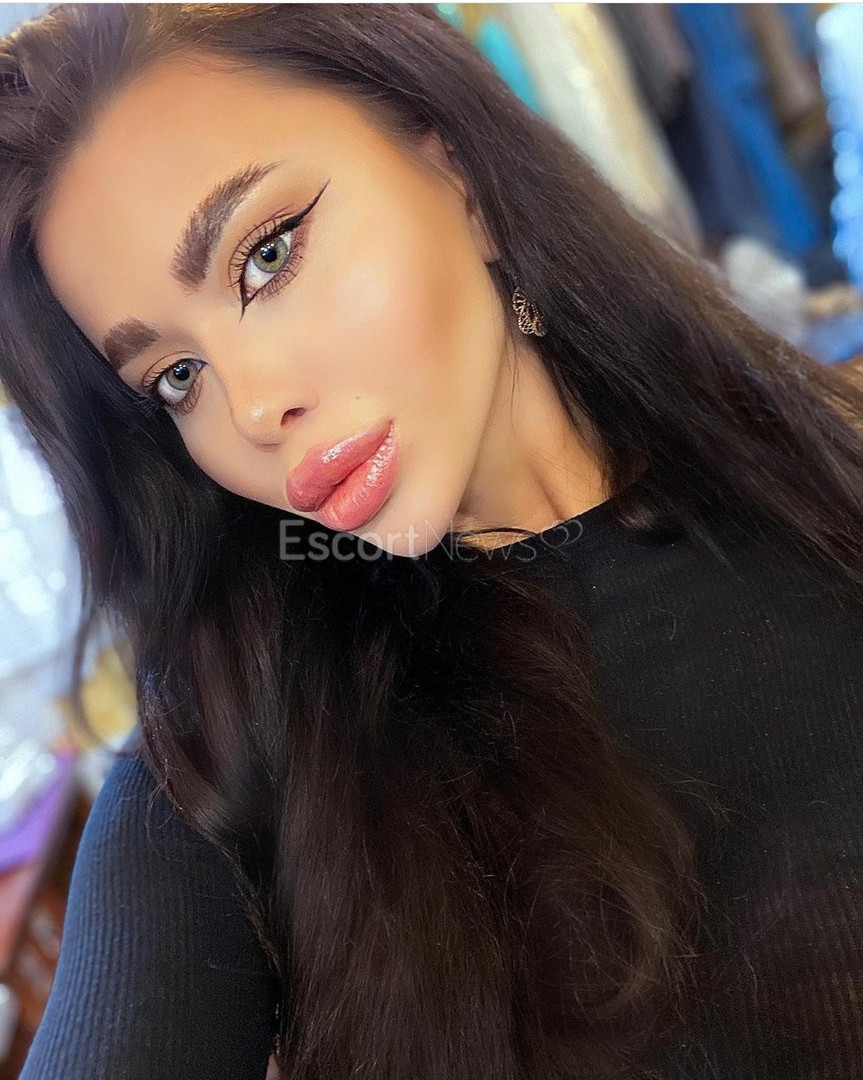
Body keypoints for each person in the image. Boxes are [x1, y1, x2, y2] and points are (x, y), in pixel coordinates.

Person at [1, 4, 862, 1078]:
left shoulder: (823, 475)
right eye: (177, 377)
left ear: (454, 171)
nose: (253, 408)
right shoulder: (232, 748)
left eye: (266, 255)